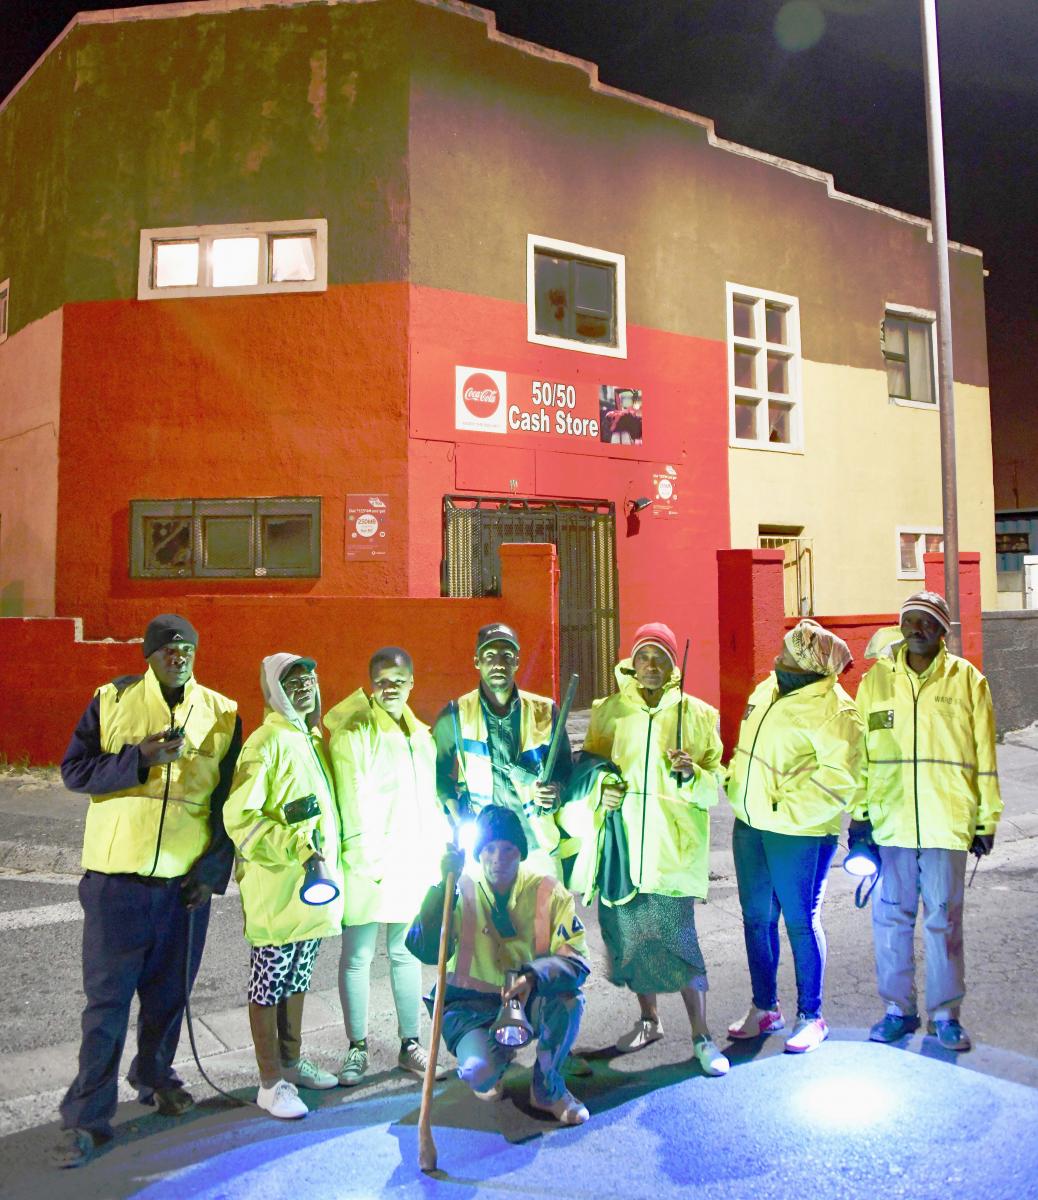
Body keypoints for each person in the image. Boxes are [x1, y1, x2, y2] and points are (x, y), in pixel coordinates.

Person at [54, 614, 241, 1168]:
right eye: (166, 647)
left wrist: (212, 872)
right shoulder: (112, 701)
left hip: (183, 887)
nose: (177, 654)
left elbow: (227, 803)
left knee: (169, 998)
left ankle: (155, 1074)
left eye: (186, 646)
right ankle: (88, 1115)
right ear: (149, 654)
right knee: (107, 1005)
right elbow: (74, 771)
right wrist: (139, 759)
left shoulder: (223, 712)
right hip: (117, 882)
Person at [567, 623, 729, 1076]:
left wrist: (693, 773)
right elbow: (590, 768)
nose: (652, 666)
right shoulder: (610, 712)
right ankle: (649, 1019)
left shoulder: (698, 714)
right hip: (621, 847)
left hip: (671, 850)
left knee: (679, 944)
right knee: (633, 944)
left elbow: (714, 786)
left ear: (674, 665)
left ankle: (701, 1034)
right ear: (631, 663)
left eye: (661, 657)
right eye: (644, 657)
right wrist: (603, 788)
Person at [853, 591, 1002, 1051]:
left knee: (943, 920)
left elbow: (984, 755)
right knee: (891, 920)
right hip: (890, 823)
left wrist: (986, 818)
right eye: (910, 620)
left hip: (946, 821)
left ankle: (945, 1016)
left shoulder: (968, 682)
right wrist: (859, 816)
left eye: (927, 622)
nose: (916, 628)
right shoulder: (876, 683)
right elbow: (861, 755)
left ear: (943, 630)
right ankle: (897, 1010)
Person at [725, 618, 865, 1054]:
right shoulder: (769, 689)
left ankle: (811, 1015)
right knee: (755, 919)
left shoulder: (836, 711)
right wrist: (735, 784)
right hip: (750, 824)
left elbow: (838, 781)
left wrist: (781, 809)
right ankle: (765, 1006)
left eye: (787, 654)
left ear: (809, 665)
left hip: (799, 833)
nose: (777, 657)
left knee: (801, 921)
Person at [406, 805, 591, 1124]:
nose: (498, 859)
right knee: (479, 1072)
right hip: (470, 1009)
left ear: (520, 853)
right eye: (489, 849)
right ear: (478, 854)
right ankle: (494, 1063)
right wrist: (440, 888)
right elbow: (423, 949)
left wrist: (533, 977)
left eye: (508, 849)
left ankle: (547, 1089)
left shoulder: (548, 891)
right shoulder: (459, 888)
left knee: (569, 1001)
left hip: (530, 1001)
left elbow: (576, 959)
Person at [224, 654, 345, 1118]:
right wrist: (295, 848)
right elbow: (241, 817)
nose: (305, 687)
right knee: (268, 984)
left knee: (297, 978)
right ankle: (270, 1079)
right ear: (274, 690)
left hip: (313, 892)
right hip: (278, 890)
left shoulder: (310, 739)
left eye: (310, 679)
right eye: (292, 681)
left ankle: (292, 1063)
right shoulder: (266, 742)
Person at [324, 646, 451, 1088]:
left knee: (404, 953)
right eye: (382, 679)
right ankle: (356, 1046)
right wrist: (364, 859)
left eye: (399, 679)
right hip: (367, 862)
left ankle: (409, 1042)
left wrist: (435, 851)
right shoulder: (354, 731)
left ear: (412, 682)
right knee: (358, 955)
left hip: (411, 860)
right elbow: (351, 799)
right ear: (370, 682)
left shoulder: (421, 735)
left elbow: (429, 799)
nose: (390, 686)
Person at [432, 623, 572, 880]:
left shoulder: (545, 710)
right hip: (484, 846)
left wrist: (556, 791)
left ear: (517, 661)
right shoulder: (454, 715)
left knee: (546, 918)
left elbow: (565, 770)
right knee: (484, 920)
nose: (498, 663)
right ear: (477, 661)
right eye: (489, 656)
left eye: (507, 656)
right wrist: (458, 816)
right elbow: (438, 775)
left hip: (537, 843)